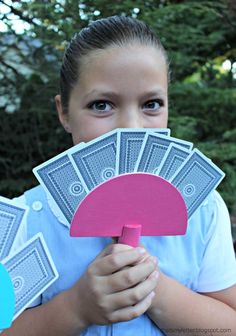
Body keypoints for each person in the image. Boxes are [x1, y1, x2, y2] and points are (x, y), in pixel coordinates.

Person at [3, 15, 236, 336]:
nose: (131, 127)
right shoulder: (27, 222)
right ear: (64, 112)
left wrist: (155, 291)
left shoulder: (204, 211)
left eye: (151, 104)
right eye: (102, 105)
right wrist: (75, 308)